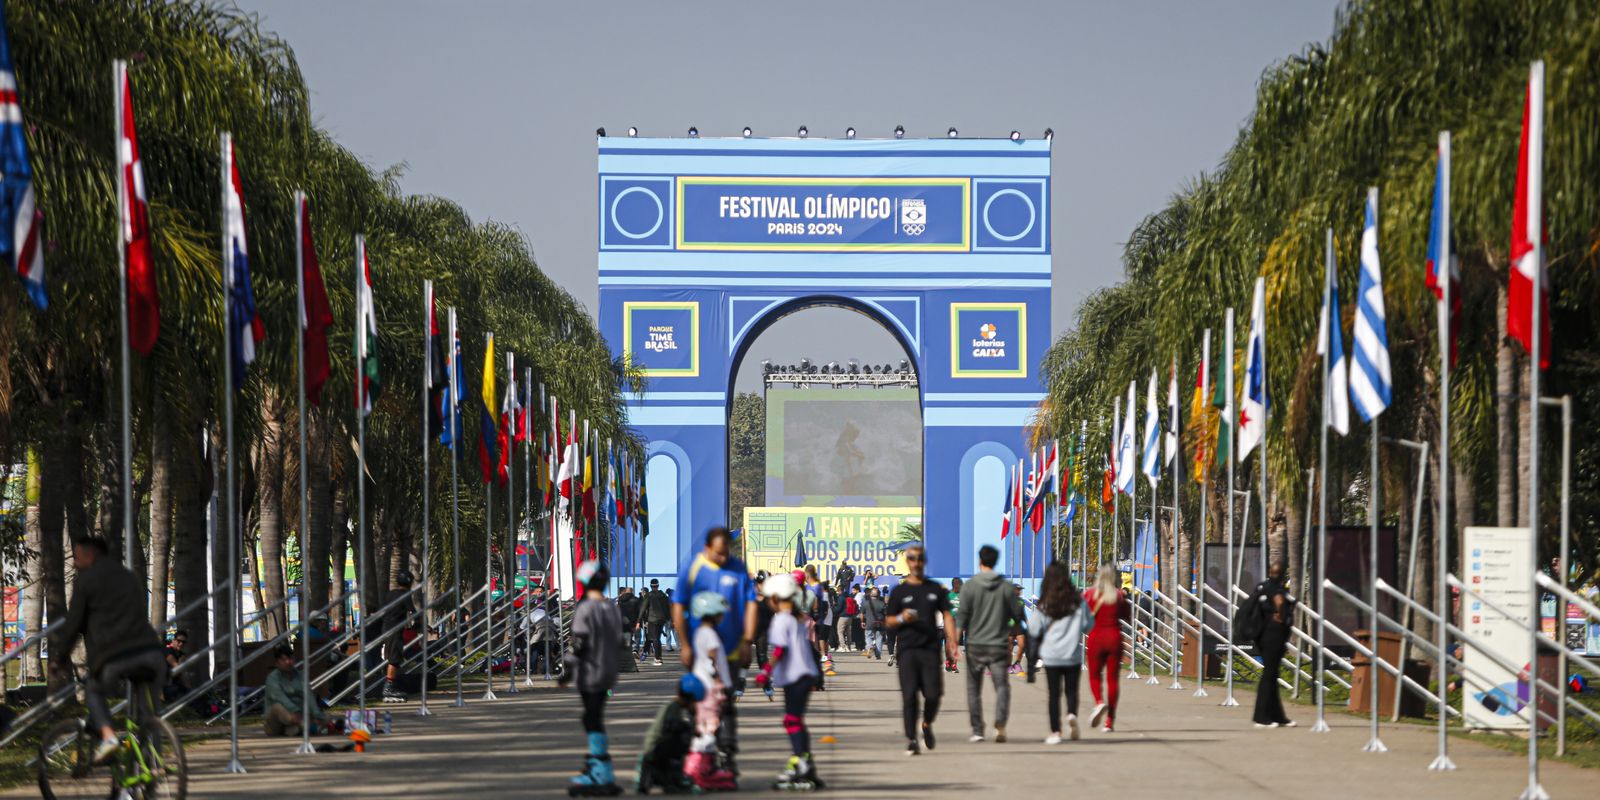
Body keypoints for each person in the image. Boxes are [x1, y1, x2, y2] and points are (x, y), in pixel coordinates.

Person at [51, 536, 166, 764]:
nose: (74, 563)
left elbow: (73, 623)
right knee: (149, 717)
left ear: (90, 556)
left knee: (93, 690)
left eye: (77, 557)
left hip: (115, 656)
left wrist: (59, 659)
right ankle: (152, 772)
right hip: (152, 653)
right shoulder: (129, 577)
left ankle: (108, 737)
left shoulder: (86, 580)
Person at [672, 528, 758, 774]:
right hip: (700, 651)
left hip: (730, 651)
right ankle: (701, 754)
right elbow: (678, 606)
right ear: (707, 547)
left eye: (726, 552)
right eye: (718, 553)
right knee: (699, 704)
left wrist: (747, 641)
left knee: (726, 703)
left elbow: (751, 604)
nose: (723, 557)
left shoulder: (738, 568)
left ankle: (726, 754)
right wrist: (685, 644)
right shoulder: (693, 568)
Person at [885, 544, 960, 756]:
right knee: (909, 696)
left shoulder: (934, 589)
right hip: (907, 650)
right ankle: (911, 739)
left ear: (924, 561)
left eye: (919, 558)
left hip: (930, 651)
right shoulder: (900, 591)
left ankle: (926, 724)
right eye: (912, 559)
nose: (916, 562)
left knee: (933, 694)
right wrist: (902, 618)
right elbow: (889, 621)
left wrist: (952, 641)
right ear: (907, 562)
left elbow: (947, 614)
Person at [753, 572, 824, 790]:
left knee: (792, 720)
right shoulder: (797, 618)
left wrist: (765, 672)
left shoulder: (781, 620)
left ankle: (801, 762)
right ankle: (804, 760)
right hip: (805, 675)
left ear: (774, 598)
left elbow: (781, 650)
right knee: (795, 719)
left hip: (795, 676)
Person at [561, 560, 627, 795]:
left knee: (592, 718)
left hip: (589, 671)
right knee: (593, 716)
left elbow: (579, 642)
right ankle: (599, 767)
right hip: (608, 671)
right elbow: (620, 640)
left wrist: (567, 670)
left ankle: (600, 770)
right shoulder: (611, 608)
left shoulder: (586, 608)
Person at [957, 544, 1024, 743]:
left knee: (973, 688)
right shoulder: (1006, 587)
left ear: (980, 560)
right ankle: (1000, 722)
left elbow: (961, 617)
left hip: (975, 645)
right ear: (995, 561)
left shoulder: (969, 586)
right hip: (999, 644)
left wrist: (953, 642)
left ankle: (978, 730)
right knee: (1002, 685)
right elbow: (1017, 615)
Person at [1033, 561, 1090, 743]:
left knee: (1054, 694)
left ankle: (1055, 732)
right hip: (1072, 654)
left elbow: (1034, 628)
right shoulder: (1078, 602)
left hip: (1051, 655)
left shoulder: (1045, 603)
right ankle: (1072, 714)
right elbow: (1089, 625)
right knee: (1072, 691)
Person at [686, 592, 737, 790]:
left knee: (705, 727)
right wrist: (719, 684)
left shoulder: (700, 632)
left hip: (702, 686)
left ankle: (701, 768)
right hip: (710, 688)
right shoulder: (710, 634)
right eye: (720, 613)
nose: (722, 616)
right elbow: (712, 659)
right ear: (713, 614)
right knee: (710, 728)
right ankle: (698, 770)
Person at [635, 673, 703, 795]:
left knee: (683, 735)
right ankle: (671, 774)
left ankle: (666, 774)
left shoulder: (675, 706)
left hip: (655, 748)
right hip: (656, 750)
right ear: (690, 699)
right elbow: (671, 728)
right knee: (683, 737)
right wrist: (690, 729)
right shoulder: (673, 707)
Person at [1083, 562, 1130, 733]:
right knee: (1113, 679)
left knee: (1094, 675)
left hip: (1096, 637)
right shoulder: (1118, 595)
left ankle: (1098, 702)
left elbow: (1084, 614)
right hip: (1115, 637)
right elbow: (1127, 615)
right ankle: (1109, 721)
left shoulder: (1089, 594)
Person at [1251, 561, 1297, 728]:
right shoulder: (1277, 590)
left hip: (1261, 636)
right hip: (1274, 636)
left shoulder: (1262, 587)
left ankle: (1278, 715)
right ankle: (1261, 717)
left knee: (1271, 675)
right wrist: (1283, 615)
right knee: (1269, 676)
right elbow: (1280, 603)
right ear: (1283, 574)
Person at [264, 642, 326, 736]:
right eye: (284, 660)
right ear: (277, 663)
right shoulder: (272, 678)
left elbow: (308, 695)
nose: (288, 662)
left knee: (325, 717)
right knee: (277, 707)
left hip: (297, 718)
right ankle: (306, 726)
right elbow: (280, 697)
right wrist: (294, 710)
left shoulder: (300, 675)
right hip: (277, 723)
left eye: (290, 659)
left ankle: (299, 728)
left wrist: (316, 713)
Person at [380, 570, 418, 703]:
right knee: (394, 659)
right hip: (395, 630)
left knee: (392, 657)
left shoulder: (391, 594)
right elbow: (412, 611)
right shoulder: (405, 594)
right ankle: (388, 687)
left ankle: (390, 685)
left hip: (386, 627)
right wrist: (419, 624)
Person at [640, 578, 673, 666]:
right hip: (662, 619)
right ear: (658, 586)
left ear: (651, 586)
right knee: (656, 638)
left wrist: (639, 619)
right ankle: (652, 655)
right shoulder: (663, 596)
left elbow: (643, 608)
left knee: (654, 638)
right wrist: (668, 618)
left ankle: (657, 658)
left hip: (652, 619)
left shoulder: (648, 595)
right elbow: (668, 608)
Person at [616, 586, 643, 658]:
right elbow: (640, 612)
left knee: (628, 637)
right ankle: (635, 649)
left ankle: (628, 651)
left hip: (624, 623)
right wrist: (639, 622)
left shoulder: (620, 599)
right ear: (632, 591)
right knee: (637, 636)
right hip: (634, 622)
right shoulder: (636, 600)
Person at [860, 586, 885, 659]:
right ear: (878, 595)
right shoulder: (882, 603)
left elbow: (862, 613)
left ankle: (870, 646)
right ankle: (878, 654)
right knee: (879, 638)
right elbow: (885, 614)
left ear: (870, 594)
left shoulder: (865, 603)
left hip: (869, 622)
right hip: (880, 623)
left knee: (868, 636)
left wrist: (862, 621)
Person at [946, 577, 964, 672]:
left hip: (959, 621)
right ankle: (948, 660)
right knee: (949, 641)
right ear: (955, 585)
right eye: (960, 585)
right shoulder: (948, 595)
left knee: (956, 642)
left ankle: (954, 665)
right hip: (949, 621)